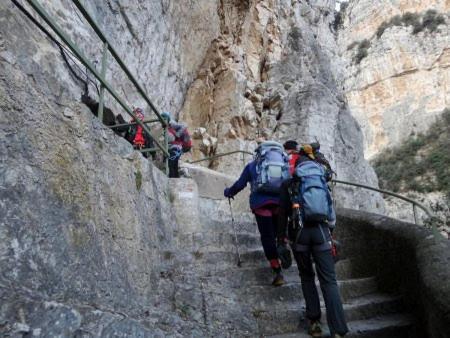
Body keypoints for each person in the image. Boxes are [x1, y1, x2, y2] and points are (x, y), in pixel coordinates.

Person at [277, 147, 348, 338]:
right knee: (329, 281)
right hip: (321, 233)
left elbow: (282, 216)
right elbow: (331, 214)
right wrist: (329, 233)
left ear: (296, 167)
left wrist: (281, 240)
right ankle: (339, 330)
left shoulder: (289, 184)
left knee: (307, 277)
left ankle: (315, 323)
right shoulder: (321, 181)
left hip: (299, 236)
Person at [224, 141, 290, 286]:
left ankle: (277, 271)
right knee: (279, 233)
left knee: (267, 237)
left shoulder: (252, 166)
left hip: (261, 205)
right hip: (280, 204)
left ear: (259, 152)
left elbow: (240, 184)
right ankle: (283, 244)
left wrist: (228, 192)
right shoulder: (283, 164)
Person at [161, 112, 192, 178]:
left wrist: (178, 134)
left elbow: (183, 126)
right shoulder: (166, 128)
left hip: (175, 147)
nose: (163, 120)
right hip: (175, 147)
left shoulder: (171, 125)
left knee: (171, 164)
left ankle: (172, 178)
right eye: (162, 119)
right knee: (174, 164)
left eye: (164, 119)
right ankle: (175, 178)